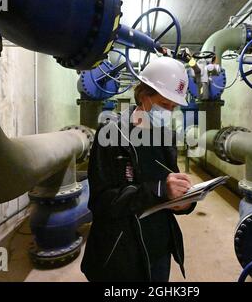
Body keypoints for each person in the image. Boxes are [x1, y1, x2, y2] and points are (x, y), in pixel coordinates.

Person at [81, 57, 196, 282]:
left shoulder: (166, 136)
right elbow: (102, 202)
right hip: (121, 253)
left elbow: (170, 188)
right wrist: (160, 189)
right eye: (164, 104)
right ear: (144, 95)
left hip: (159, 249)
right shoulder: (111, 133)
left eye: (173, 107)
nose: (169, 112)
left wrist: (184, 203)